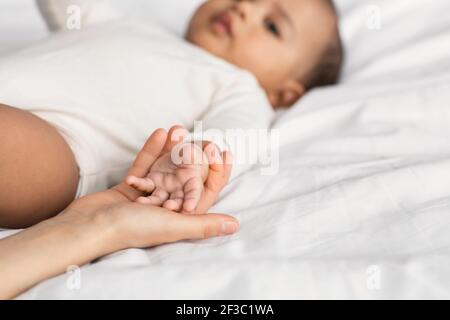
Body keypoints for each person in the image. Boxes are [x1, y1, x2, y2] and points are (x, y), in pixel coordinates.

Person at [0, 0, 343, 228]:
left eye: (271, 26)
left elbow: (233, 138)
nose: (243, 9)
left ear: (284, 92)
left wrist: (194, 158)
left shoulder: (240, 88)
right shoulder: (129, 25)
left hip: (61, 149)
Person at [0, 126, 239, 300]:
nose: (273, 97)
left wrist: (195, 153)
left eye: (279, 94)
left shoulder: (236, 83)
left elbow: (227, 139)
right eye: (279, 90)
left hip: (59, 145)